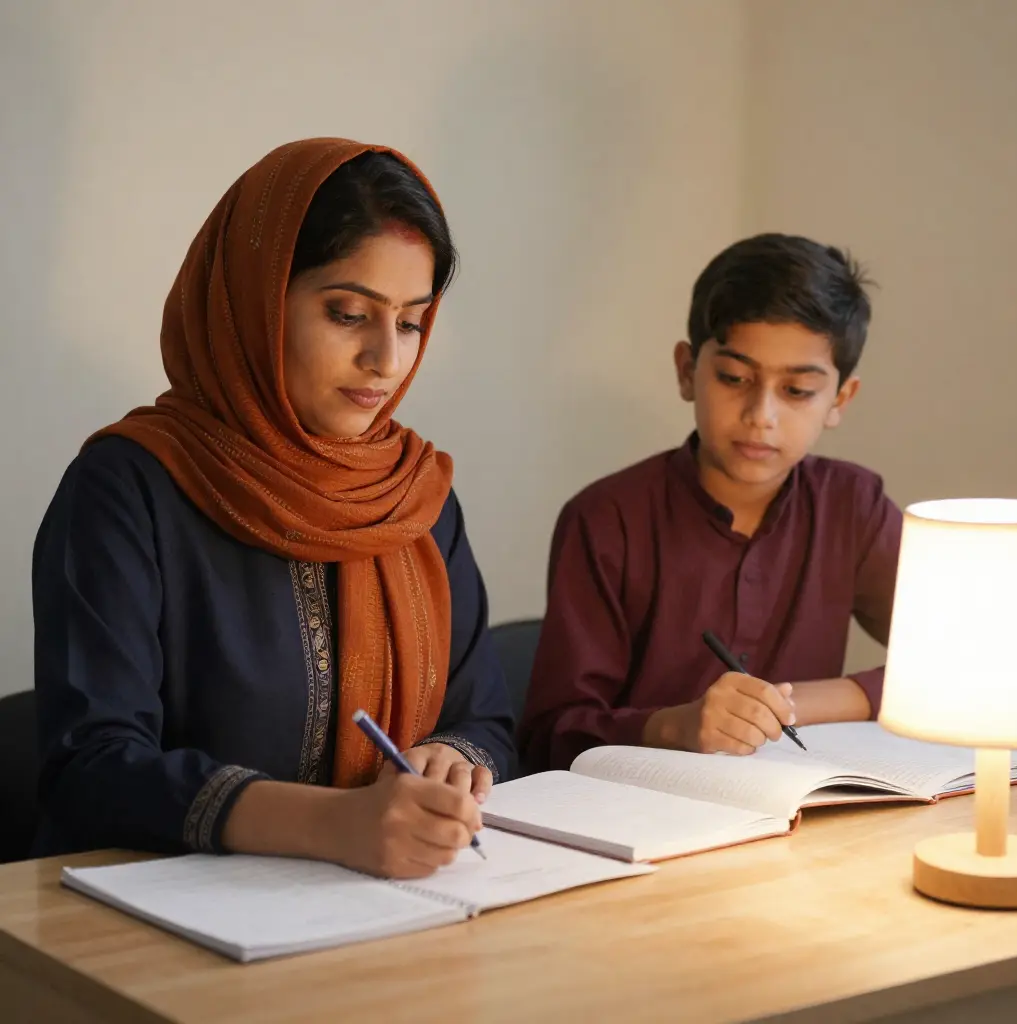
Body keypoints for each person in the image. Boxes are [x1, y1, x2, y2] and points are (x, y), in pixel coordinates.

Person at [32, 139, 515, 879]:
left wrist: (453, 760)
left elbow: (485, 716)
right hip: (162, 934)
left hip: (395, 913)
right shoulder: (129, 487)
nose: (388, 360)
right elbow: (91, 770)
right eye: (350, 314)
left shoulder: (412, 492)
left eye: (412, 322)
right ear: (256, 303)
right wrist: (336, 823)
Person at [519, 234, 901, 773]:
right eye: (734, 378)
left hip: (799, 812)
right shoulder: (607, 519)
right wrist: (675, 726)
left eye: (797, 391)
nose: (761, 414)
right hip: (640, 814)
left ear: (840, 400)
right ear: (686, 370)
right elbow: (549, 736)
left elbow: (968, 661)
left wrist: (798, 704)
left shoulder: (853, 507)